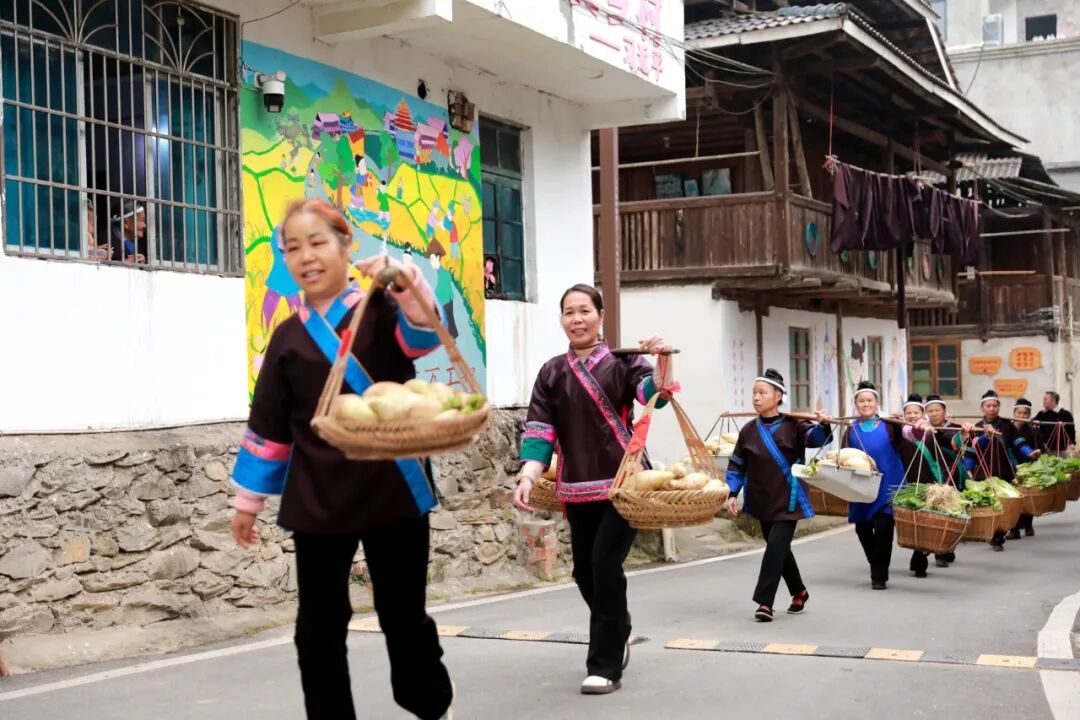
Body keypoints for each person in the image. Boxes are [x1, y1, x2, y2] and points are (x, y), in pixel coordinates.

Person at [230, 199, 454, 720]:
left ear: (345, 246)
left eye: (317, 243)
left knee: (403, 617)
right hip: (318, 497)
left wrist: (405, 282)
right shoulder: (287, 336)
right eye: (292, 248)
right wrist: (248, 501)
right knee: (317, 628)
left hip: (392, 487)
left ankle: (429, 703)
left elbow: (425, 335)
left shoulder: (383, 308)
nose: (305, 257)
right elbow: (271, 423)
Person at [513, 283, 672, 696]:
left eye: (584, 310)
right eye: (569, 312)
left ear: (601, 316)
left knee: (603, 563)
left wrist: (661, 361)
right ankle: (619, 627)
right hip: (576, 486)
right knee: (584, 571)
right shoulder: (552, 372)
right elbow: (540, 431)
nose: (577, 319)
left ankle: (605, 665)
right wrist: (528, 476)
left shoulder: (624, 362)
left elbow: (653, 395)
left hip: (623, 485)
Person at [724, 369, 832, 621]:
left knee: (775, 547)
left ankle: (765, 602)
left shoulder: (795, 426)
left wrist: (824, 425)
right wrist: (732, 493)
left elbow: (816, 438)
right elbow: (737, 465)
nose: (756, 397)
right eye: (754, 393)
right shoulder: (748, 431)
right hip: (761, 500)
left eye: (762, 393)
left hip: (788, 500)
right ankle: (799, 591)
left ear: (778, 396)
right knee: (779, 549)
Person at [844, 381, 905, 590]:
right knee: (862, 529)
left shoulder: (890, 425)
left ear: (876, 403)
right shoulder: (851, 429)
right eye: (861, 401)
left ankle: (879, 576)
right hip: (861, 487)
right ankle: (877, 563)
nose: (866, 404)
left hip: (888, 485)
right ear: (856, 404)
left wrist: (913, 424)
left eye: (869, 400)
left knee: (883, 530)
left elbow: (910, 435)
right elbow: (844, 457)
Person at [964, 390, 1039, 552]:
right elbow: (970, 450)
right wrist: (968, 468)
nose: (992, 408)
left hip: (1004, 471)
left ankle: (998, 536)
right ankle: (991, 533)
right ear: (982, 408)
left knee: (1004, 504)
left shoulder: (1007, 425)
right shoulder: (976, 427)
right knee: (990, 505)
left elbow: (1018, 442)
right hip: (983, 472)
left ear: (999, 407)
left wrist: (1029, 453)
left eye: (995, 405)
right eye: (988, 406)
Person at [923, 394, 968, 567]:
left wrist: (964, 434)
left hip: (953, 475)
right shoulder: (922, 429)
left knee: (952, 513)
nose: (934, 414)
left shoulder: (954, 429)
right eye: (930, 411)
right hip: (932, 475)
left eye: (937, 410)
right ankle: (939, 551)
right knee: (936, 513)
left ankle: (948, 547)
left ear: (944, 411)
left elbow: (956, 445)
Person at [1008, 398, 1041, 539]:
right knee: (1013, 500)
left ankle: (1028, 525)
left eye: (1025, 414)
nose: (1021, 416)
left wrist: (1035, 454)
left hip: (1027, 466)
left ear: (1029, 415)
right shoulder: (1008, 428)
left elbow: (1039, 447)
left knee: (1027, 497)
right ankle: (1014, 529)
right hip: (1011, 466)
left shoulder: (1033, 430)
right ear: (1014, 413)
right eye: (1019, 413)